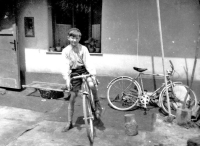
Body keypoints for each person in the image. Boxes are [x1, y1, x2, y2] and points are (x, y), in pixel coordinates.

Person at [61, 28, 102, 132]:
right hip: (73, 72)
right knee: (72, 98)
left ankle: (97, 104)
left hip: (84, 70)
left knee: (92, 84)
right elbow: (65, 66)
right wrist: (67, 80)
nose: (74, 40)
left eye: (77, 38)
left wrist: (93, 75)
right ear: (68, 38)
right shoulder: (66, 51)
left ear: (80, 38)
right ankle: (69, 122)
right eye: (72, 37)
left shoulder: (83, 48)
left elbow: (88, 62)